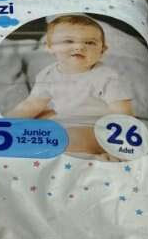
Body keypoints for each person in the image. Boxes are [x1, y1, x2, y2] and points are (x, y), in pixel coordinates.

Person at [8, 15, 133, 159]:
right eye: (68, 41)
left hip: (97, 126)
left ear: (102, 50)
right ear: (50, 47)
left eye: (90, 42)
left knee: (70, 136)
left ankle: (57, 147)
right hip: (66, 120)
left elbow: (122, 111)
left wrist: (119, 144)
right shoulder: (48, 74)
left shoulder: (106, 76)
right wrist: (6, 123)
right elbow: (32, 103)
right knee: (38, 120)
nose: (79, 47)